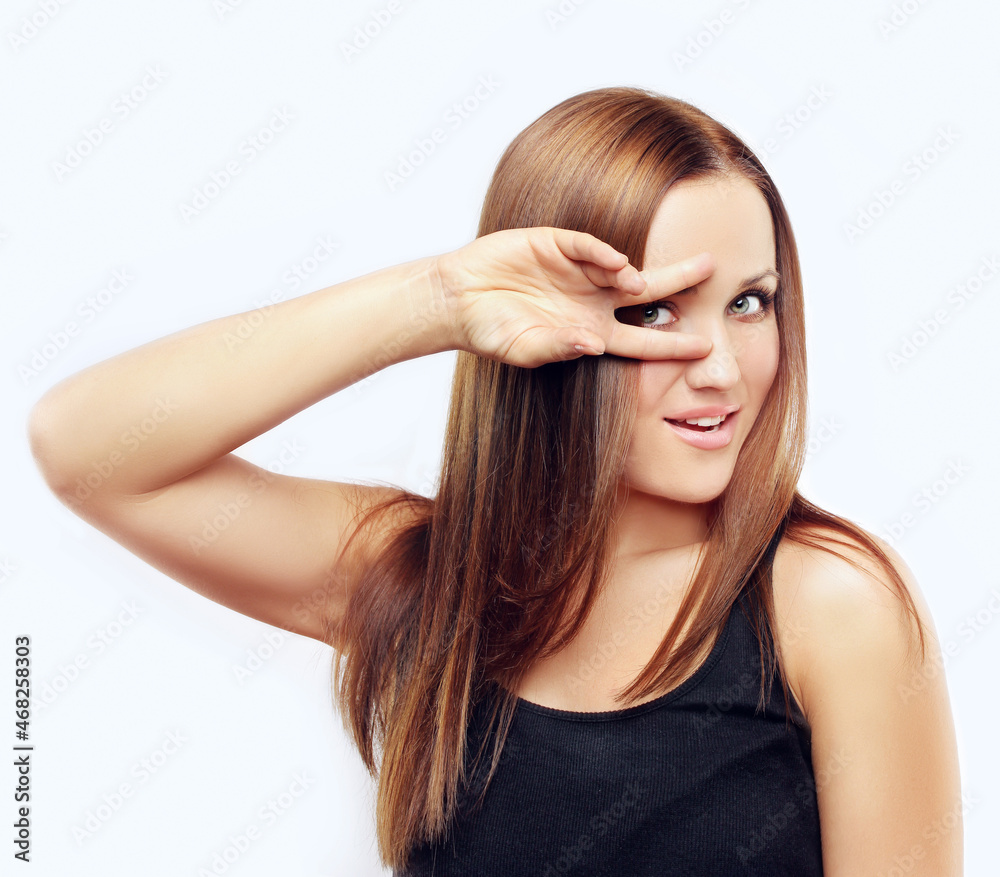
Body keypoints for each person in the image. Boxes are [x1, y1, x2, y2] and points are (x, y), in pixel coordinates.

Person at [28, 87, 962, 875]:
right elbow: (86, 448)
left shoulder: (830, 606)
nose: (721, 367)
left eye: (750, 303)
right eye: (654, 311)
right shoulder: (425, 579)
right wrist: (440, 299)